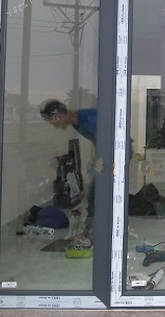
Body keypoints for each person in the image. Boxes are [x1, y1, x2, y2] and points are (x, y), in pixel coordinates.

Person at [40, 99, 97, 239]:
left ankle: (93, 231)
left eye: (52, 121)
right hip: (108, 158)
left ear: (57, 116)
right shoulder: (78, 122)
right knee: (95, 192)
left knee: (95, 193)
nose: (53, 125)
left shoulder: (88, 119)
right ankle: (92, 229)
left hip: (117, 156)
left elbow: (110, 140)